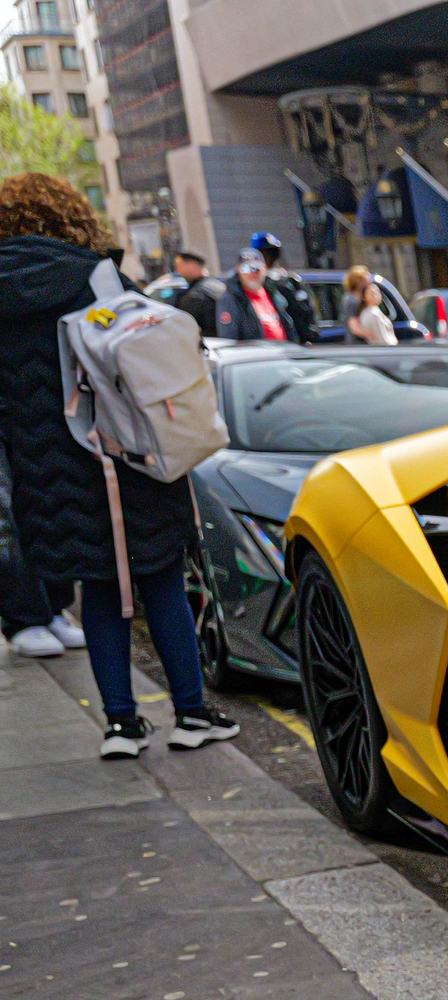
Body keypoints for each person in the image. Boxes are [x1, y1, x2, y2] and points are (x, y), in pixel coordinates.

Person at [0, 173, 233, 756]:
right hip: (124, 457)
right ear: (68, 218)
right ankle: (191, 714)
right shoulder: (95, 277)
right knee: (161, 583)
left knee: (99, 591)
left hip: (45, 475)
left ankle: (122, 727)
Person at [249, 231, 319, 343]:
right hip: (287, 342)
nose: (267, 258)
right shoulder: (288, 281)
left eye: (269, 254)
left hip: (292, 341)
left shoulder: (290, 281)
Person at [215, 249, 293, 342]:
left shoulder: (274, 294)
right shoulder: (230, 299)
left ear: (265, 269)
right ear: (239, 271)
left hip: (283, 352)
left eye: (256, 268)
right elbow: (229, 338)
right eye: (246, 269)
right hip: (254, 355)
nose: (252, 273)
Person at [167, 250, 218, 338]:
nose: (178, 271)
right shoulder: (215, 286)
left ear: (192, 265)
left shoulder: (196, 294)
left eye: (179, 266)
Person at [342, 264, 396, 344]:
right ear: (359, 281)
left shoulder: (362, 297)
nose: (369, 281)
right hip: (358, 343)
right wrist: (372, 335)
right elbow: (353, 325)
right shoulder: (351, 299)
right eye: (366, 278)